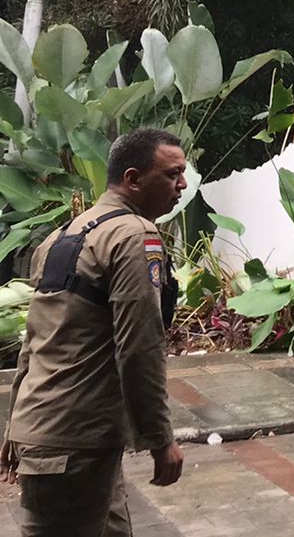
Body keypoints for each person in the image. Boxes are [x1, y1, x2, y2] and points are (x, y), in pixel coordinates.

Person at [1, 127, 187, 536]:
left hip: (64, 436)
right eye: (172, 174)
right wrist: (159, 439)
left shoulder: (63, 236)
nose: (182, 185)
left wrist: (16, 427)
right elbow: (140, 345)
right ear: (133, 179)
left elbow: (34, 342)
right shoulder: (134, 235)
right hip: (76, 444)